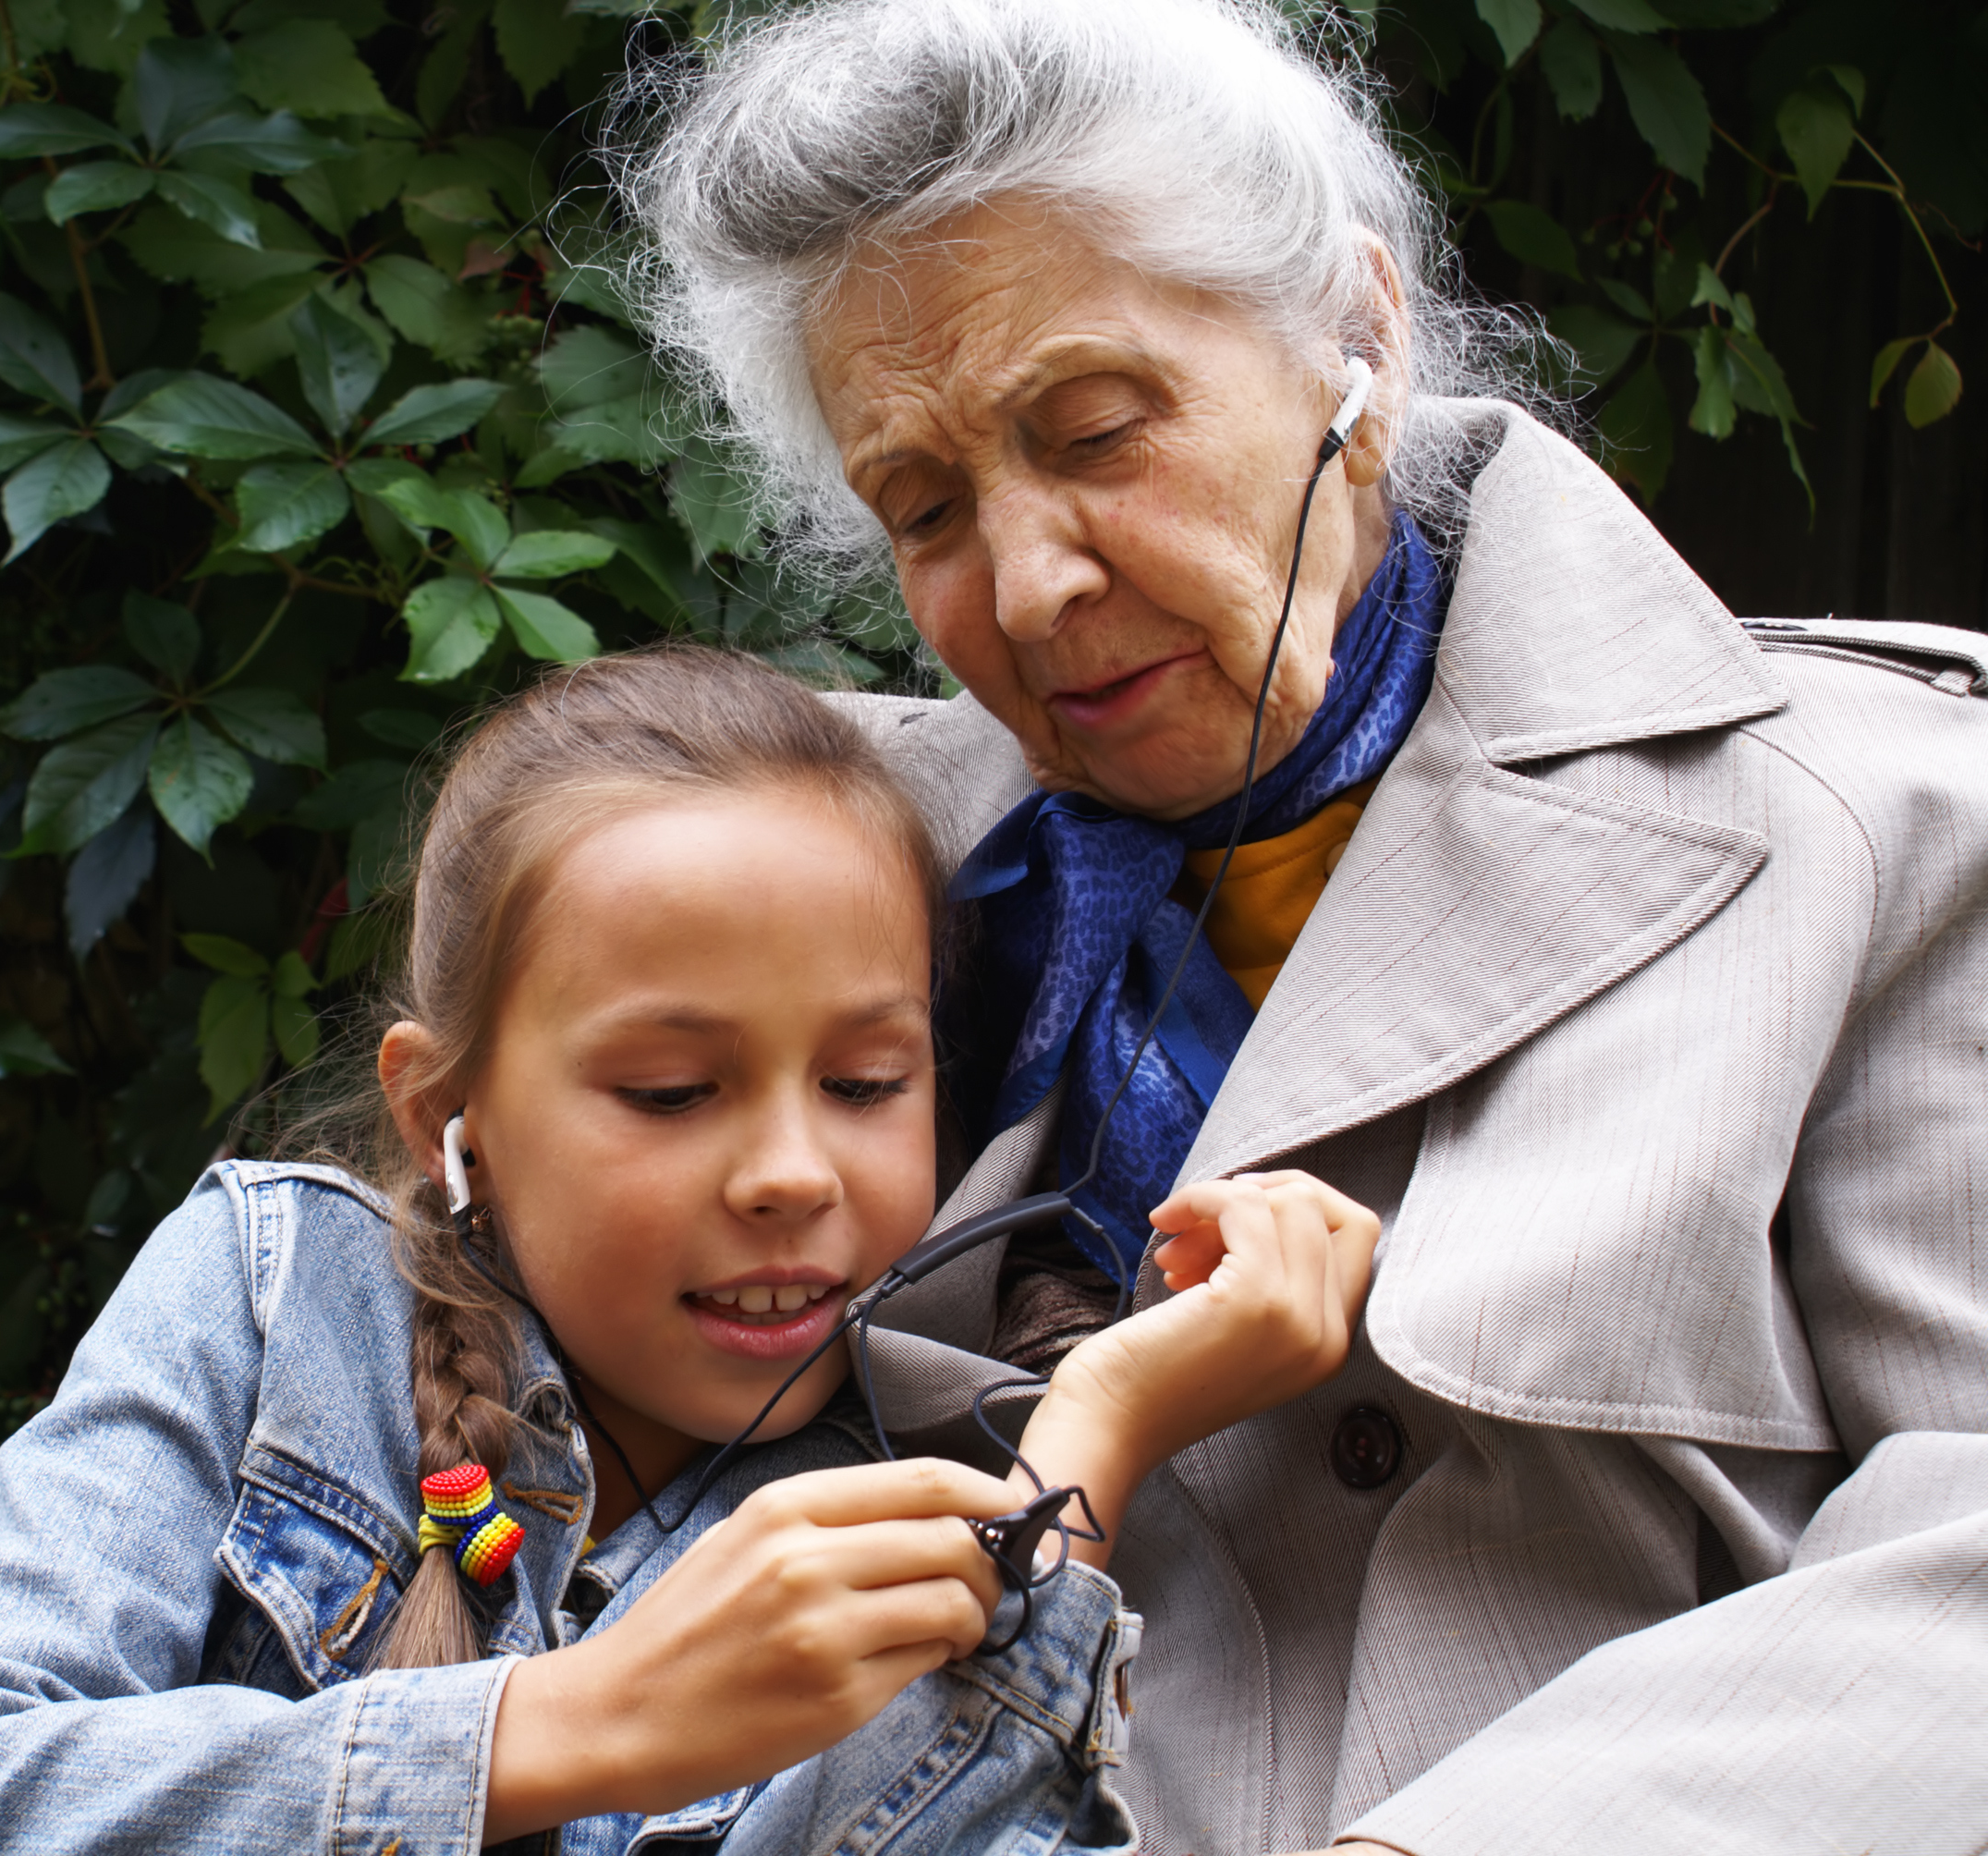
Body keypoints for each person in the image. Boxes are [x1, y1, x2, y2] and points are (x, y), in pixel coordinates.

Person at [616, 2, 1988, 1852]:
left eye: (1096, 429)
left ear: (1359, 336)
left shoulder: (1875, 825)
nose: (1029, 585)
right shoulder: (797, 881)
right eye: (924, 508)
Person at [0, 648, 1383, 1853]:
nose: (788, 1174)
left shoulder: (894, 1479)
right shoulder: (283, 1297)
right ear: (451, 1108)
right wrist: (578, 1723)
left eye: (864, 1084)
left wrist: (1091, 1445)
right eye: (671, 1092)